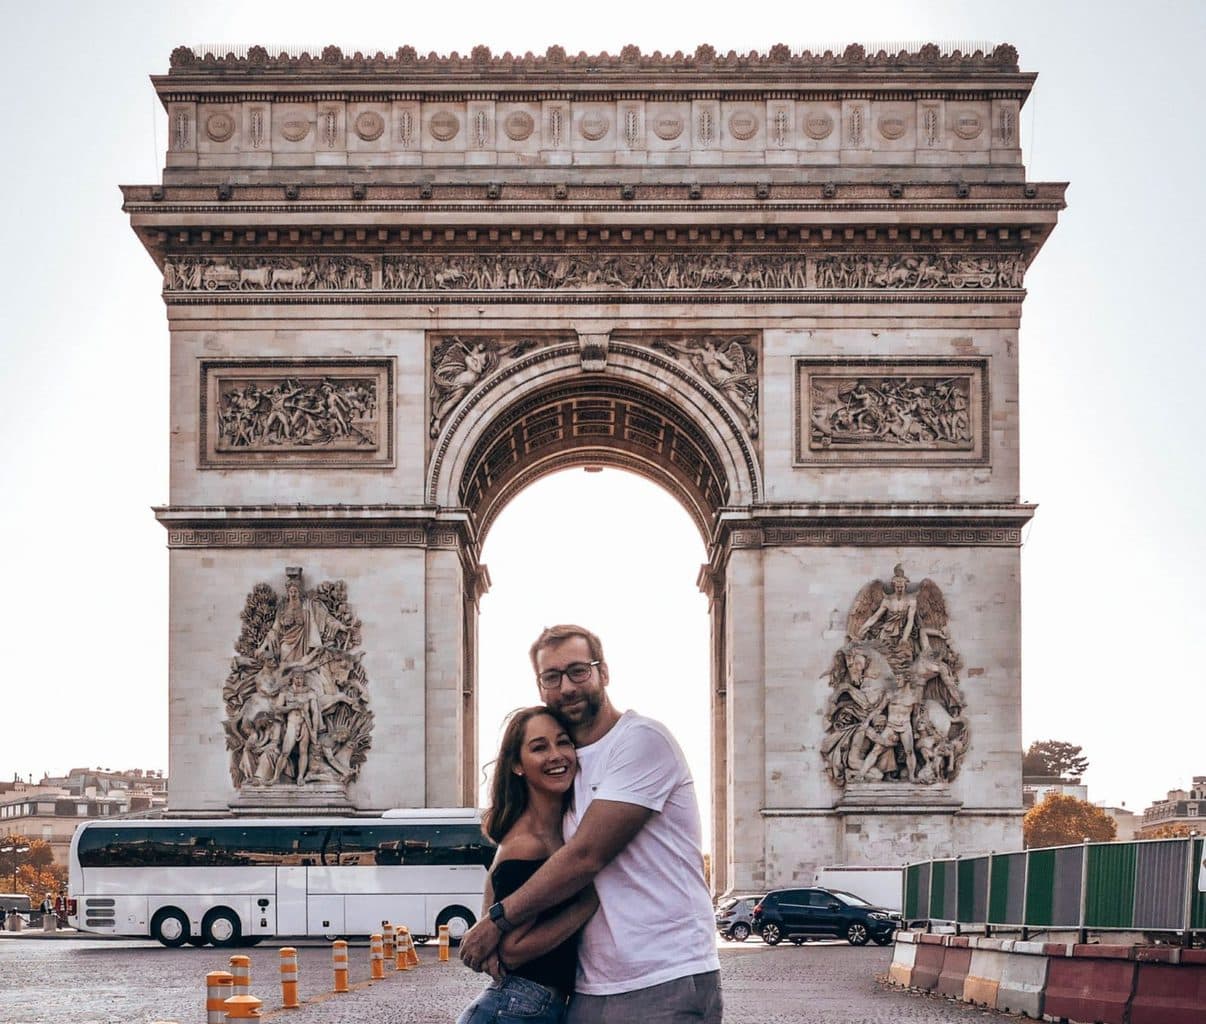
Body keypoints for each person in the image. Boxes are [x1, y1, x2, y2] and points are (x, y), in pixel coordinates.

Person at [460, 624, 721, 1023]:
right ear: (540, 686)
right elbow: (520, 850)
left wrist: (497, 920)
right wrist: (489, 910)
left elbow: (585, 857)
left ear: (604, 672)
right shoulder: (567, 768)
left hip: (663, 977)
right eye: (552, 676)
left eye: (578, 671)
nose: (566, 687)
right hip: (588, 990)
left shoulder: (642, 740)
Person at [457, 706, 598, 1024]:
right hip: (516, 1008)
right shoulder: (528, 842)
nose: (556, 755)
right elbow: (512, 950)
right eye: (539, 747)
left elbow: (495, 891)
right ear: (517, 765)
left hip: (525, 1007)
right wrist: (586, 904)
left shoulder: (548, 831)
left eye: (563, 742)